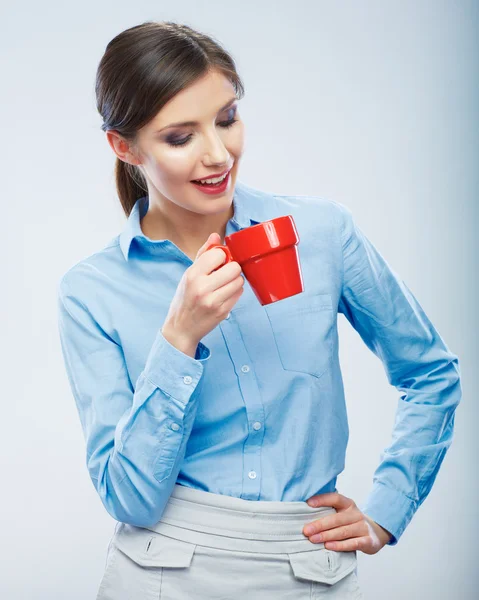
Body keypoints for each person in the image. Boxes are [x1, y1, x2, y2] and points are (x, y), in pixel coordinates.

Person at [56, 21, 462, 600]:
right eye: (180, 137)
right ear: (124, 146)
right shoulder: (91, 289)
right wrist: (179, 339)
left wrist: (387, 511)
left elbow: (431, 374)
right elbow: (129, 498)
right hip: (159, 574)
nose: (219, 154)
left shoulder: (321, 232)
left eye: (226, 119)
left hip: (309, 565)